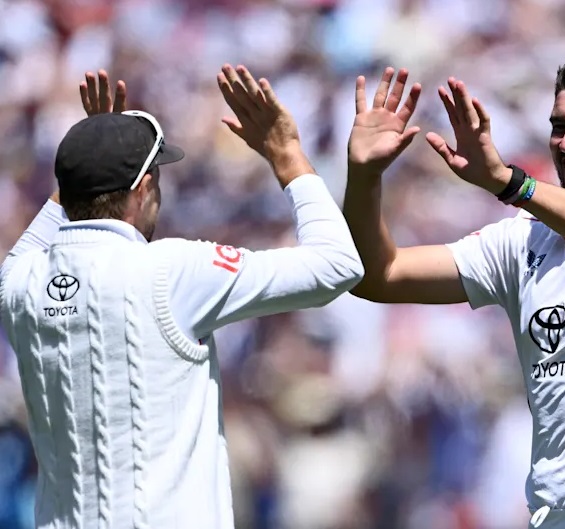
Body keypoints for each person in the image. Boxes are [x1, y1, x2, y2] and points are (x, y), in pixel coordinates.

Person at [342, 52, 565, 528]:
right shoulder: (523, 238)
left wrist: (512, 183)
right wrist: (364, 176)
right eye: (559, 126)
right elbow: (378, 276)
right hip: (554, 517)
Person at [0, 66, 363, 528]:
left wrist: (91, 153)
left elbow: (41, 234)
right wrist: (288, 156)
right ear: (144, 189)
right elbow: (338, 264)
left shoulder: (21, 282)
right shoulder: (171, 270)